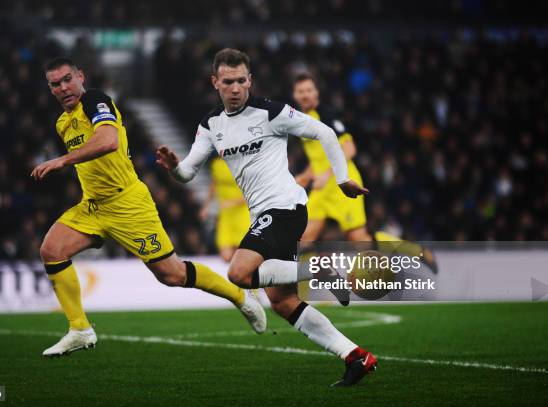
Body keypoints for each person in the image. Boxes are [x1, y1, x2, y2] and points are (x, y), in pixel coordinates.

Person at [156, 48, 376, 386]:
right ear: (215, 82)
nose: (235, 88)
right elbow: (188, 172)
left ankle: (318, 270)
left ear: (250, 80)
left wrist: (343, 177)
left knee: (239, 273)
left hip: (285, 208)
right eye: (228, 81)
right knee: (284, 302)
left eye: (241, 80)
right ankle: (355, 356)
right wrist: (174, 168)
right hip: (265, 214)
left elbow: (326, 133)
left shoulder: (271, 112)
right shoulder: (211, 124)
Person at [31, 57, 266, 357]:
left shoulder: (95, 100)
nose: (63, 87)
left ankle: (240, 298)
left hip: (128, 203)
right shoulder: (63, 122)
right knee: (52, 250)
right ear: (50, 89)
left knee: (173, 276)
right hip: (94, 205)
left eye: (67, 79)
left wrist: (62, 160)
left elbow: (108, 141)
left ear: (80, 76)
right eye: (55, 84)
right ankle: (79, 329)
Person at [292, 73, 438, 272]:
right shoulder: (302, 119)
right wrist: (305, 176)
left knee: (359, 240)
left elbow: (349, 148)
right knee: (304, 239)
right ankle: (302, 298)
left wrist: (327, 175)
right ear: (295, 95)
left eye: (309, 90)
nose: (306, 95)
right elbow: (318, 157)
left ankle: (417, 251)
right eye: (301, 91)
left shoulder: (326, 115)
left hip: (343, 184)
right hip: (321, 190)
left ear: (316, 92)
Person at [200, 156, 250, 262]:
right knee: (226, 256)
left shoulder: (243, 164)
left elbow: (251, 193)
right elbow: (214, 184)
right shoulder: (217, 164)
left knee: (242, 255)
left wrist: (232, 202)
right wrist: (206, 206)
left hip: (242, 214)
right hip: (226, 216)